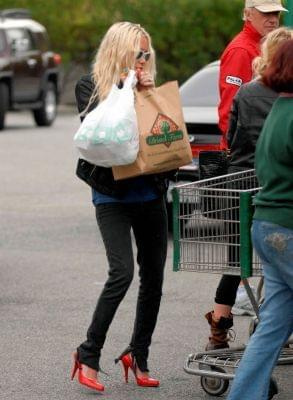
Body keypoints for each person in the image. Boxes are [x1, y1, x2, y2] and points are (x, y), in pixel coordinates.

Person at [71, 22, 172, 391]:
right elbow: (99, 134)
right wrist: (128, 91)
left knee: (154, 279)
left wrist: (149, 97)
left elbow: (163, 134)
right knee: (121, 272)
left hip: (149, 193)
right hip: (111, 196)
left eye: (146, 53)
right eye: (136, 53)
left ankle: (138, 354)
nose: (143, 60)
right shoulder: (91, 87)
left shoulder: (149, 90)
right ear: (119, 52)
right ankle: (88, 353)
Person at [204, 26, 292, 350]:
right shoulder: (286, 97)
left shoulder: (246, 92)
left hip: (240, 181)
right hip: (276, 184)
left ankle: (219, 327)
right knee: (277, 262)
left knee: (236, 261)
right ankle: (274, 326)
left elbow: (233, 136)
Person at [227, 38, 293, 400]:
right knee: (272, 326)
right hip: (287, 227)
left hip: (266, 225)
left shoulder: (280, 110)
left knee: (273, 327)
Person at [218, 0, 286, 150]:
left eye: (276, 13)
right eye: (266, 13)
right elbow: (228, 114)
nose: (273, 19)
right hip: (246, 157)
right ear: (248, 14)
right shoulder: (240, 51)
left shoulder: (269, 46)